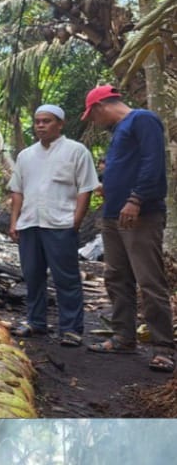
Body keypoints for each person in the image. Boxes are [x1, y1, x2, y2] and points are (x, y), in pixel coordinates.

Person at [81, 85, 175, 371]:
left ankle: (162, 347)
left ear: (100, 107)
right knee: (116, 276)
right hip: (113, 215)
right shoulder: (120, 131)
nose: (94, 122)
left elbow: (152, 161)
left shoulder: (142, 119)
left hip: (140, 214)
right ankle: (124, 337)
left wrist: (135, 199)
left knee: (148, 279)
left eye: (92, 116)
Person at [8, 104, 99, 345]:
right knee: (33, 275)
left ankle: (71, 329)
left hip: (60, 223)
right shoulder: (25, 155)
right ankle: (36, 322)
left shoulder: (76, 152)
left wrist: (75, 222)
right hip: (30, 223)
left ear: (60, 123)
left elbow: (86, 189)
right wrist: (14, 221)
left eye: (46, 121)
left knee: (66, 278)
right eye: (37, 121)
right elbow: (17, 190)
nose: (40, 126)